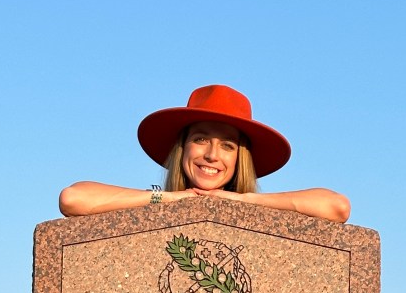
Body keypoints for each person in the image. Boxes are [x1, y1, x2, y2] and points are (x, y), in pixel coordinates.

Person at [59, 85, 350, 224]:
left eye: (227, 145)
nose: (212, 155)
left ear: (240, 159)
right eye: (200, 139)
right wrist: (169, 198)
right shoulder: (157, 200)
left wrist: (245, 200)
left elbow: (337, 207)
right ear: (182, 148)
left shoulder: (253, 204)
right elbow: (73, 199)